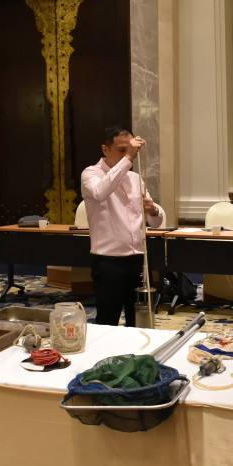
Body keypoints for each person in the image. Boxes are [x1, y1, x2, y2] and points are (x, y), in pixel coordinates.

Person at [80, 126, 163, 326]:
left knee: (141, 321)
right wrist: (128, 159)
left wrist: (153, 211)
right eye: (122, 150)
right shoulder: (91, 173)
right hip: (109, 262)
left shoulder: (135, 178)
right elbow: (100, 192)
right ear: (105, 149)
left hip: (139, 259)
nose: (129, 155)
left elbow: (155, 222)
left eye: (132, 150)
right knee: (108, 320)